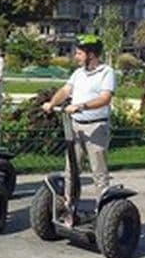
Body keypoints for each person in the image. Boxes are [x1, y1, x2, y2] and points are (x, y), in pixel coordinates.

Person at [42, 34, 115, 223]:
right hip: (75, 126)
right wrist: (51, 103)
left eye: (80, 52)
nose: (76, 56)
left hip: (96, 127)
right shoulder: (78, 73)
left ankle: (104, 213)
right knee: (71, 170)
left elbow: (105, 98)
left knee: (99, 172)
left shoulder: (106, 72)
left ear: (91, 54)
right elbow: (66, 90)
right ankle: (69, 208)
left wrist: (81, 106)